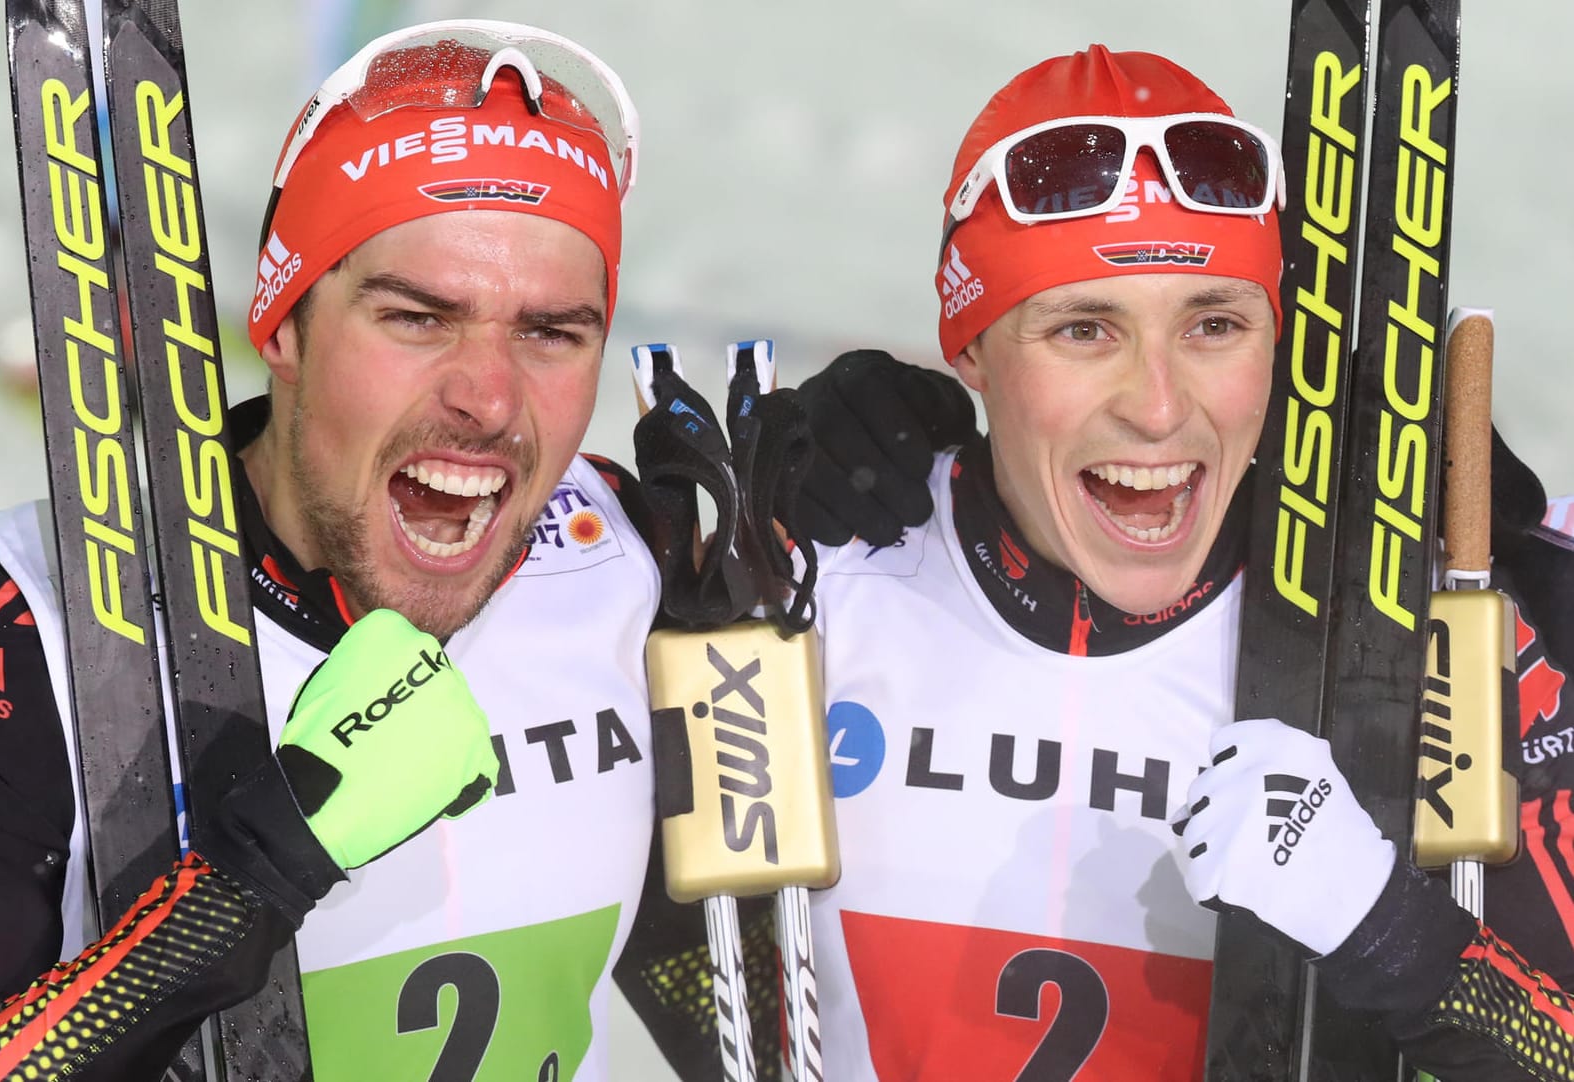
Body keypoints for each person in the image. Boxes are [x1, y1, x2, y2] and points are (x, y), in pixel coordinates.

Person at [625, 44, 1574, 1081]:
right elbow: (684, 950)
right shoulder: (814, 586)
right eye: (1084, 329)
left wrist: (1384, 928)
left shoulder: (1409, 641)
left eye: (1215, 324)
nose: (1159, 405)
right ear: (972, 347)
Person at [0, 20, 665, 1080]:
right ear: (282, 323)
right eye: (420, 317)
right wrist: (245, 885)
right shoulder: (28, 640)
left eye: (551, 332)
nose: (490, 396)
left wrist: (907, 461)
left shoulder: (628, 558)